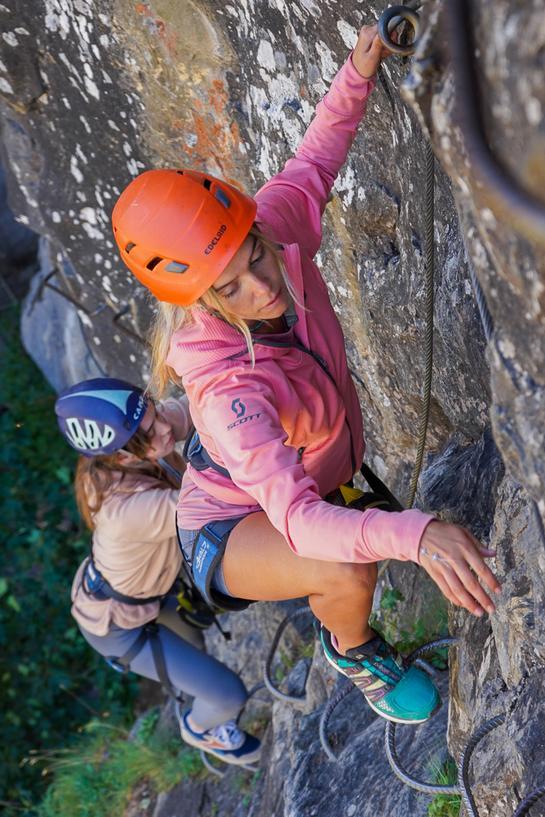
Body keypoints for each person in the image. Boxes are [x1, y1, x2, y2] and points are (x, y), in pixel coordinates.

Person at [111, 24, 501, 725]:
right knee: (345, 563)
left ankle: (351, 594)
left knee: (356, 534)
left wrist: (359, 65)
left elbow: (314, 160)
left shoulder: (272, 233)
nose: (262, 284)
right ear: (200, 302)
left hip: (306, 472)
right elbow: (295, 519)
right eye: (229, 288)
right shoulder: (230, 394)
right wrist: (417, 533)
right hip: (229, 525)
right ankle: (352, 651)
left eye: (254, 254)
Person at [55, 377, 261, 765]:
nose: (165, 428)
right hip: (117, 626)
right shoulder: (125, 513)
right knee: (228, 695)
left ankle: (190, 691)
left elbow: (193, 405)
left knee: (195, 651)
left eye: (154, 413)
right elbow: (212, 501)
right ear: (123, 458)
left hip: (144, 592)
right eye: (152, 431)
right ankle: (201, 728)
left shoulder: (132, 439)